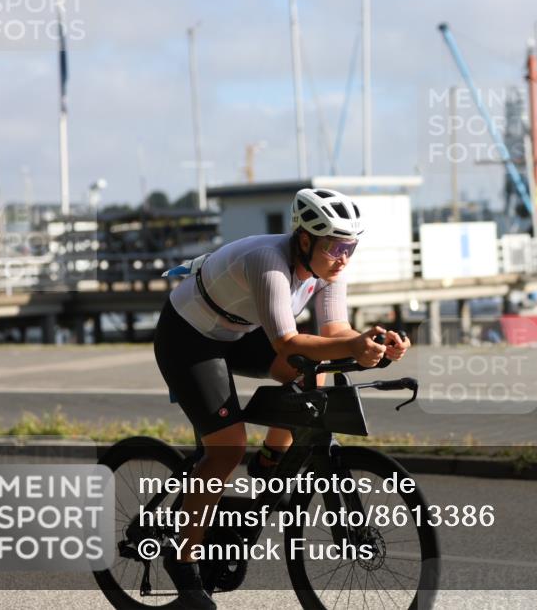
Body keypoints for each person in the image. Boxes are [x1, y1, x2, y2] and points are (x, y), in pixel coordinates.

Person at [152, 188, 410, 609]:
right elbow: (289, 342)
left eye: (350, 247)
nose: (343, 257)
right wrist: (353, 346)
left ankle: (271, 462)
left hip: (238, 332)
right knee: (226, 449)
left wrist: (374, 343)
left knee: (315, 379)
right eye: (335, 247)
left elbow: (334, 335)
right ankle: (183, 566)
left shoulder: (329, 271)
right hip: (189, 339)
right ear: (305, 240)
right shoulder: (268, 262)